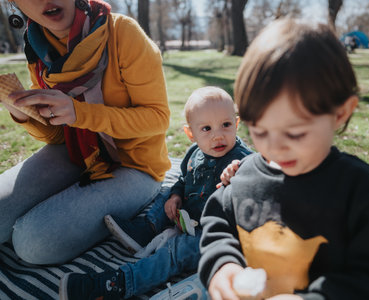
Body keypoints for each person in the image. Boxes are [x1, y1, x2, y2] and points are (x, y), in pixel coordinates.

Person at [198, 19, 369, 300]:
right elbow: (218, 226)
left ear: (340, 114)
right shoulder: (243, 176)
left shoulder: (365, 193)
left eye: (295, 133)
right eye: (260, 131)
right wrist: (222, 266)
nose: (275, 148)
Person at [0, 0, 170, 265]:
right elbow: (58, 135)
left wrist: (80, 113)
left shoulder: (122, 33)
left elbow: (158, 119)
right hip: (75, 153)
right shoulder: (36, 45)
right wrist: (24, 115)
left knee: (32, 243)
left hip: (135, 166)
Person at [58, 86, 253, 299]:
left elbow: (258, 180)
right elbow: (182, 180)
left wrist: (239, 173)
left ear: (236, 124)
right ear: (191, 134)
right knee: (167, 193)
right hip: (187, 217)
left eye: (225, 125)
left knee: (175, 251)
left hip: (217, 235)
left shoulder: (242, 160)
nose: (218, 136)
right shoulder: (194, 153)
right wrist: (176, 196)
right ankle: (147, 228)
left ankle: (117, 284)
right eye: (206, 129)